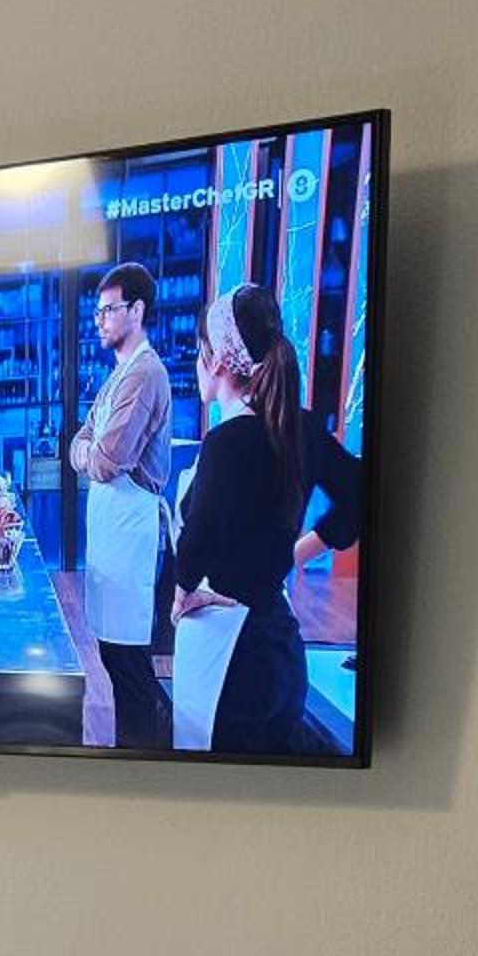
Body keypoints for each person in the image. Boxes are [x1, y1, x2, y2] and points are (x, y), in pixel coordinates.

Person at [170, 283, 365, 756]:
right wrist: (297, 552)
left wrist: (183, 591)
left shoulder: (226, 443)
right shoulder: (302, 428)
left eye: (199, 351)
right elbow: (362, 494)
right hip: (280, 650)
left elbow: (198, 539)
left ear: (219, 361)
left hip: (232, 666)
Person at [68, 261, 174, 748]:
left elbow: (107, 460)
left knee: (129, 664)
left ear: (137, 310)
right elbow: (82, 440)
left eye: (110, 310)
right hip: (112, 530)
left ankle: (145, 758)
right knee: (114, 657)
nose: (101, 320)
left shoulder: (145, 373)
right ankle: (133, 753)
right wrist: (87, 451)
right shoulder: (120, 374)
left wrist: (88, 453)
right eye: (98, 312)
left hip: (131, 530)